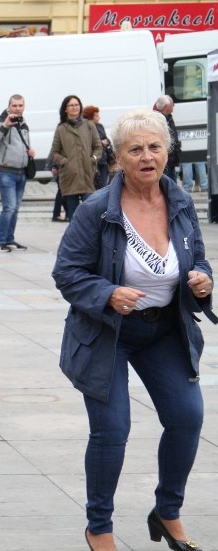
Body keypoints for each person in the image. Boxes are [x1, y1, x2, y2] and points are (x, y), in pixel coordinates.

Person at [52, 108, 216, 551]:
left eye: (155, 146)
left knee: (187, 417)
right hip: (109, 335)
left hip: (164, 330)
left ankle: (167, 512)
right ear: (118, 158)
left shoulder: (180, 201)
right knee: (113, 430)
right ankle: (99, 527)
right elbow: (67, 273)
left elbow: (196, 259)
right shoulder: (95, 211)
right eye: (135, 149)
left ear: (168, 152)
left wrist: (203, 279)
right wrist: (106, 293)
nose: (147, 156)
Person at [0, 95, 34, 251]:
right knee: (9, 207)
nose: (18, 108)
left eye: (21, 105)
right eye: (14, 105)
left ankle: (9, 239)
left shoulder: (23, 123)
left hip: (21, 171)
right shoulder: (0, 121)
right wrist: (5, 126)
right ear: (9, 106)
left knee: (15, 208)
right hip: (5, 170)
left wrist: (29, 151)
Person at [51, 95, 102, 221]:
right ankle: (75, 240)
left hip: (88, 175)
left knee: (90, 213)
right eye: (71, 105)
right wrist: (65, 162)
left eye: (76, 105)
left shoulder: (89, 125)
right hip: (70, 176)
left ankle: (91, 240)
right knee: (74, 217)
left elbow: (98, 147)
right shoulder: (61, 129)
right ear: (65, 109)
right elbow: (54, 152)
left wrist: (93, 159)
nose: (74, 107)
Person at [83, 105, 112, 188]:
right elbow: (86, 142)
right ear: (90, 116)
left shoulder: (100, 126)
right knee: (94, 185)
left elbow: (106, 138)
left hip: (103, 159)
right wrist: (101, 142)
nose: (99, 118)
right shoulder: (85, 127)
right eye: (97, 115)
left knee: (104, 184)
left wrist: (107, 142)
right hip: (92, 160)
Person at [156, 95, 181, 182]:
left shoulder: (168, 117)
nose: (174, 106)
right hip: (165, 161)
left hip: (170, 161)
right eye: (172, 104)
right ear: (166, 107)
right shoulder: (158, 120)